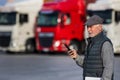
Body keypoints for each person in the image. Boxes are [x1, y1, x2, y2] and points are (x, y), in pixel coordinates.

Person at [67, 15, 114, 80]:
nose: (88, 30)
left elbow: (108, 68)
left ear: (100, 27)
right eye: (87, 27)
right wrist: (76, 57)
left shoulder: (105, 43)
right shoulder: (90, 43)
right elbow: (87, 65)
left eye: (91, 27)